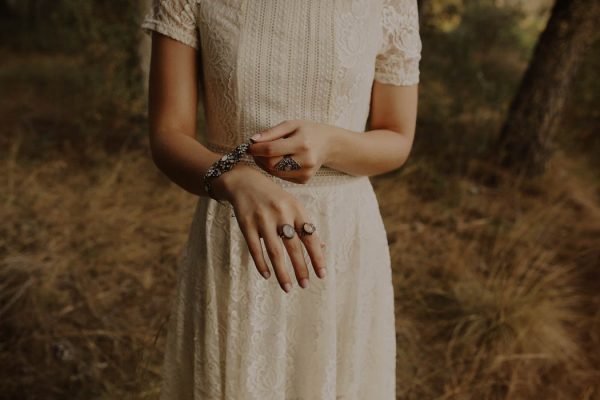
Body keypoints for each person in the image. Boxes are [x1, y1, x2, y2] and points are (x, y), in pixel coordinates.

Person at [141, 0, 421, 398]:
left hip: (341, 242)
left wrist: (331, 144)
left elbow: (397, 137)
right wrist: (232, 178)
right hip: (237, 234)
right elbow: (168, 134)